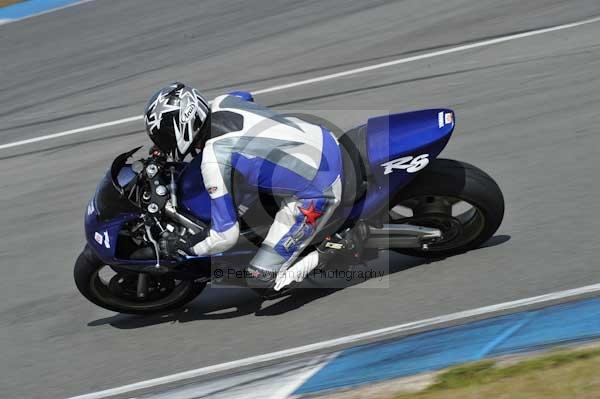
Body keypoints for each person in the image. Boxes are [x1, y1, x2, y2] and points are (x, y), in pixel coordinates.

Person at [144, 83, 342, 291]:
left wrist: (185, 247)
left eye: (164, 135)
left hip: (320, 190)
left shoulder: (215, 160)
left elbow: (225, 235)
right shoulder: (223, 101)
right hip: (322, 138)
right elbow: (245, 96)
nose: (162, 142)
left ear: (182, 126)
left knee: (260, 279)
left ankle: (332, 249)